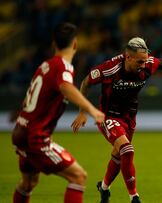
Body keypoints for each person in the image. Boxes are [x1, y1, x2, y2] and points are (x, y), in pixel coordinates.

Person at [71, 37, 162, 203]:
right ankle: (134, 197)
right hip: (108, 116)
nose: (144, 65)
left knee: (119, 154)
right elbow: (86, 82)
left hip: (129, 117)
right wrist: (82, 112)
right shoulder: (109, 68)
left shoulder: (148, 63)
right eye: (140, 62)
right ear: (128, 57)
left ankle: (104, 188)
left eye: (145, 61)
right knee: (127, 149)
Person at [11, 22, 105, 203]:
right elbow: (66, 87)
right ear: (75, 44)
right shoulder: (63, 67)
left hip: (20, 131)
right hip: (35, 137)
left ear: (54, 44)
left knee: (28, 183)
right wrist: (91, 109)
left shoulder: (45, 65)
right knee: (78, 176)